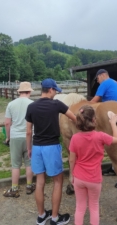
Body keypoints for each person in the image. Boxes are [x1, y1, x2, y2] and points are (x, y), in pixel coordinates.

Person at [25, 78, 77, 225]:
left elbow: (28, 132)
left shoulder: (31, 107)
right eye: (55, 91)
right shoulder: (57, 105)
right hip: (51, 147)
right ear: (51, 90)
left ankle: (41, 215)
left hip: (37, 147)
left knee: (40, 182)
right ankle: (54, 218)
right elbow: (74, 118)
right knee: (57, 182)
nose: (55, 94)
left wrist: (29, 148)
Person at [69, 105, 117, 225]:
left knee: (80, 207)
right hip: (94, 178)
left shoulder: (75, 138)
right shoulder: (100, 136)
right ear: (94, 120)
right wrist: (113, 123)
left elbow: (72, 160)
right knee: (94, 207)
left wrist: (72, 175)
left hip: (78, 177)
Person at [90, 68, 117, 189]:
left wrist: (84, 108)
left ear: (103, 75)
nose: (98, 81)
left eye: (98, 78)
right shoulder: (116, 83)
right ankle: (114, 168)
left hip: (111, 113)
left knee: (116, 147)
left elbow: (95, 100)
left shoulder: (105, 83)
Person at [3, 82, 36, 198]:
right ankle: (29, 185)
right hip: (29, 136)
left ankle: (15, 188)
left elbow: (7, 123)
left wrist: (8, 137)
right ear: (29, 92)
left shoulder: (11, 104)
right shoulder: (33, 104)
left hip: (15, 136)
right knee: (29, 162)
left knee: (16, 164)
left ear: (19, 92)